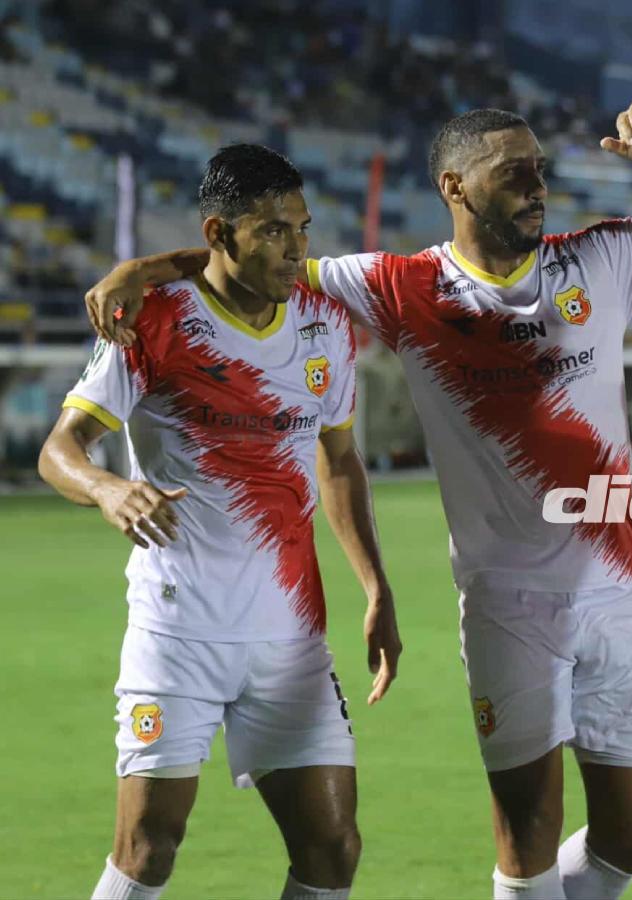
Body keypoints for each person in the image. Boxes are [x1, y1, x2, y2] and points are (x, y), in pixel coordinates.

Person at [84, 103, 632, 900]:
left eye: (539, 168)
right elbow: (258, 259)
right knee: (527, 832)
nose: (538, 185)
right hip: (507, 604)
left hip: (622, 594)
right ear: (455, 186)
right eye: (515, 172)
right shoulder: (401, 287)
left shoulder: (605, 256)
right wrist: (146, 271)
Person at [41, 144, 401, 900]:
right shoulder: (151, 325)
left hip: (290, 637)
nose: (295, 246)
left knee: (332, 847)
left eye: (300, 227)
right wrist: (107, 489)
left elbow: (339, 463)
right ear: (219, 232)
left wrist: (376, 587)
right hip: (180, 633)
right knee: (149, 848)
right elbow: (60, 450)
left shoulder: (325, 326)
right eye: (272, 230)